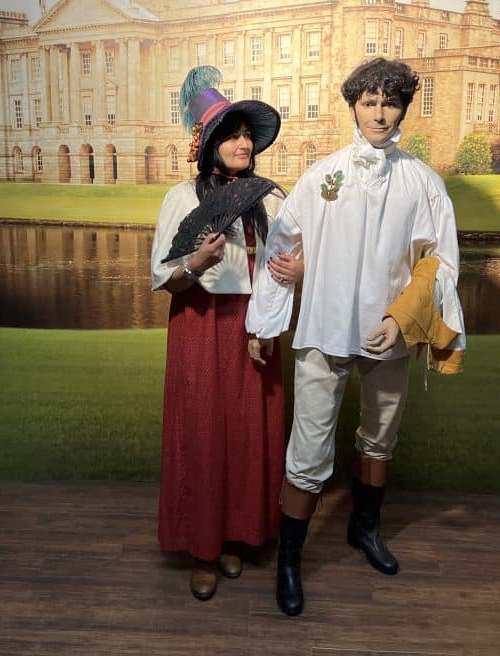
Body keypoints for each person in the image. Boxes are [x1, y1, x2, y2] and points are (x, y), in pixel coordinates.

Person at [245, 58, 466, 616]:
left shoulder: (424, 183)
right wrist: (267, 321)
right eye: (369, 102)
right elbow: (281, 252)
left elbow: (439, 263)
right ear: (353, 107)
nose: (380, 112)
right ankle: (290, 562)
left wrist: (400, 317)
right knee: (308, 452)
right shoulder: (320, 176)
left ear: (403, 109)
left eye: (390, 102)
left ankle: (364, 530)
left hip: (390, 334)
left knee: (379, 440)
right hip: (323, 328)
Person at [150, 67, 303, 601]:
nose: (242, 143)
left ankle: (236, 536)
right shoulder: (180, 199)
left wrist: (291, 283)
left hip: (256, 325)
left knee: (247, 433)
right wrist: (196, 259)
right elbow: (164, 281)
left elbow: (288, 266)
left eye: (246, 135)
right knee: (203, 433)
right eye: (230, 134)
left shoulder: (270, 203)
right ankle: (203, 549)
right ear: (209, 144)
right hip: (199, 326)